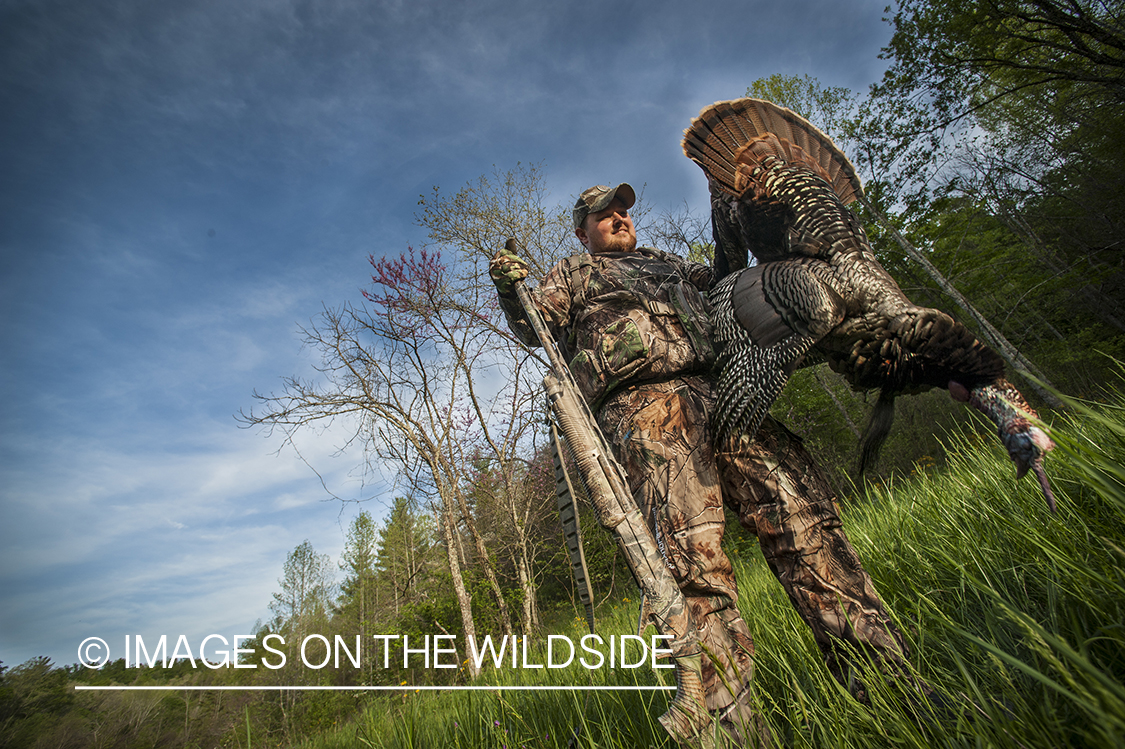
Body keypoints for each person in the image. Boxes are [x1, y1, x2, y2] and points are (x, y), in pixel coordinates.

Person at [490, 183, 914, 745]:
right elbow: (533, 328)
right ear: (581, 230)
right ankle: (735, 731)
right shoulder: (571, 274)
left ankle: (889, 684)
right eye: (603, 214)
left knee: (804, 522)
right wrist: (508, 287)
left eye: (623, 211)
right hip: (647, 411)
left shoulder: (675, 268)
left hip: (731, 393)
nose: (618, 218)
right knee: (696, 568)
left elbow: (737, 288)